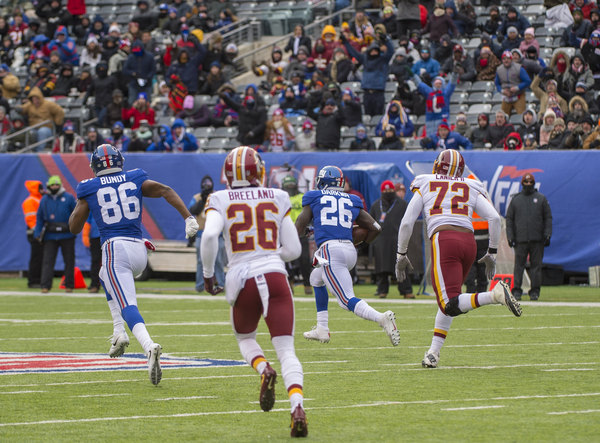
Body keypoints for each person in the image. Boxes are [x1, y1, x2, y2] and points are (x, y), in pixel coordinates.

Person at [68, 144, 199, 385]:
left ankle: (149, 346)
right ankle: (119, 332)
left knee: (128, 303)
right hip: (139, 249)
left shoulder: (89, 186)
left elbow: (74, 227)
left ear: (94, 166)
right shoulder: (135, 177)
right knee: (103, 275)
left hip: (115, 249)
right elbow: (166, 190)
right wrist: (188, 218)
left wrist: (83, 201)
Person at [200, 146, 308, 437]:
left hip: (243, 277)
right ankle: (297, 406)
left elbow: (209, 236)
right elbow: (294, 250)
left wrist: (208, 275)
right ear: (259, 171)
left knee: (246, 338)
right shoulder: (278, 196)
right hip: (275, 276)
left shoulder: (219, 198)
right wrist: (269, 255)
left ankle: (263, 369)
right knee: (287, 350)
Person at [395, 150, 522, 368]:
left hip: (444, 239)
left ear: (438, 165)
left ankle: (495, 295)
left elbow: (407, 222)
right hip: (469, 242)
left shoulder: (426, 181)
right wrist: (492, 252)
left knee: (449, 303)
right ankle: (433, 353)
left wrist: (401, 254)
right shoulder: (470, 184)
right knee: (450, 299)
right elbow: (493, 218)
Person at [295, 165, 400, 347]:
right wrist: (362, 243)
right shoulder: (352, 199)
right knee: (316, 278)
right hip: (349, 250)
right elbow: (376, 228)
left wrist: (303, 232)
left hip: (330, 251)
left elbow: (299, 225)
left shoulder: (314, 196)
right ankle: (322, 328)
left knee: (345, 300)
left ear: (322, 181)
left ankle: (381, 318)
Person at [506, 173, 553, 301]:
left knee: (536, 267)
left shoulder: (541, 199)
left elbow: (548, 218)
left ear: (534, 183)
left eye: (530, 182)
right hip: (520, 239)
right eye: (526, 182)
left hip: (537, 239)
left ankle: (535, 291)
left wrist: (547, 234)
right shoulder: (516, 200)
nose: (528, 184)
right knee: (518, 266)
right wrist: (510, 236)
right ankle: (516, 291)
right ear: (522, 183)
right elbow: (509, 219)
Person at [369, 180, 414, 299]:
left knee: (401, 265)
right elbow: (371, 222)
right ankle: (382, 290)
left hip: (398, 240)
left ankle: (406, 290)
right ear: (381, 191)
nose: (388, 192)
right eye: (385, 190)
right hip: (381, 240)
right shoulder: (376, 205)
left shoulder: (403, 204)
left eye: (390, 190)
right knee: (381, 267)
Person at [34, 175, 77, 293]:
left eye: (57, 184)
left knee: (69, 261)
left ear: (60, 185)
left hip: (67, 234)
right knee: (48, 261)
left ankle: (69, 285)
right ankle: (45, 286)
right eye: (52, 185)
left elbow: (76, 214)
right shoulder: (44, 199)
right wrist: (37, 233)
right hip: (50, 235)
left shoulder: (68, 197)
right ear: (48, 186)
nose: (55, 187)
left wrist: (74, 229)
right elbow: (39, 217)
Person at [188, 175, 226, 293]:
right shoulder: (197, 197)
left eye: (208, 184)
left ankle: (221, 284)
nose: (206, 186)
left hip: (217, 234)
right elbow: (192, 210)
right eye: (205, 184)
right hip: (201, 233)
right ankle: (200, 286)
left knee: (219, 261)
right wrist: (202, 201)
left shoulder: (217, 196)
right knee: (201, 261)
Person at [281, 175, 312, 295]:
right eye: (287, 185)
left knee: (304, 259)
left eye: (291, 185)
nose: (289, 187)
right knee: (286, 260)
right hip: (286, 232)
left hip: (300, 231)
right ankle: (289, 282)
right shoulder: (282, 198)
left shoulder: (302, 197)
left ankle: (307, 284)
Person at [22, 180, 44, 288]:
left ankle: (38, 280)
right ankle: (33, 281)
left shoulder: (39, 199)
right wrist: (38, 232)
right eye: (40, 188)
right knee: (36, 257)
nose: (42, 190)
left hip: (39, 232)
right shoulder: (30, 201)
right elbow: (30, 219)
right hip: (35, 232)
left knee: (40, 257)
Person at [82, 214, 101, 293]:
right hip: (95, 236)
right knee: (95, 261)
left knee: (112, 262)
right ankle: (94, 284)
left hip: (109, 235)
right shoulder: (93, 207)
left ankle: (113, 285)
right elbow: (88, 221)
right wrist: (85, 235)